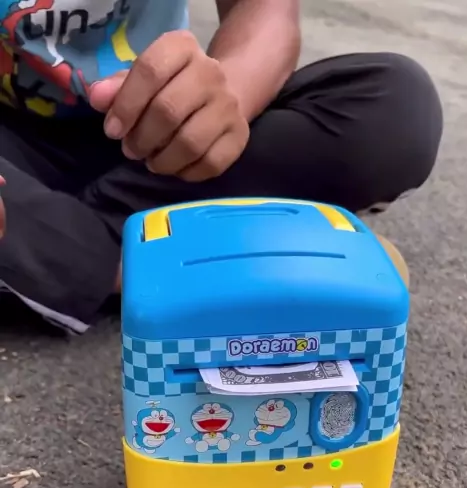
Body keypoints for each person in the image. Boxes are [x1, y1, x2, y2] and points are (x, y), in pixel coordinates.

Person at [0, 0, 442, 333]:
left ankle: (62, 255)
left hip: (158, 132)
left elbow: (264, 11)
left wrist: (222, 103)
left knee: (396, 107)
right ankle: (216, 258)